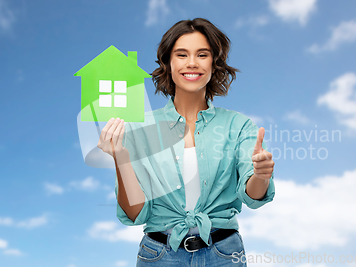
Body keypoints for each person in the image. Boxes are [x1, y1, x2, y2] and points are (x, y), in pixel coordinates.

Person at [97, 18, 275, 266]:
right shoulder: (139, 128)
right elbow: (135, 213)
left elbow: (253, 197)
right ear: (168, 63)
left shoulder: (239, 126)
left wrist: (261, 175)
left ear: (214, 63)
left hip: (223, 255)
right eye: (182, 55)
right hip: (159, 255)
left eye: (202, 54)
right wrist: (121, 157)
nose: (192, 63)